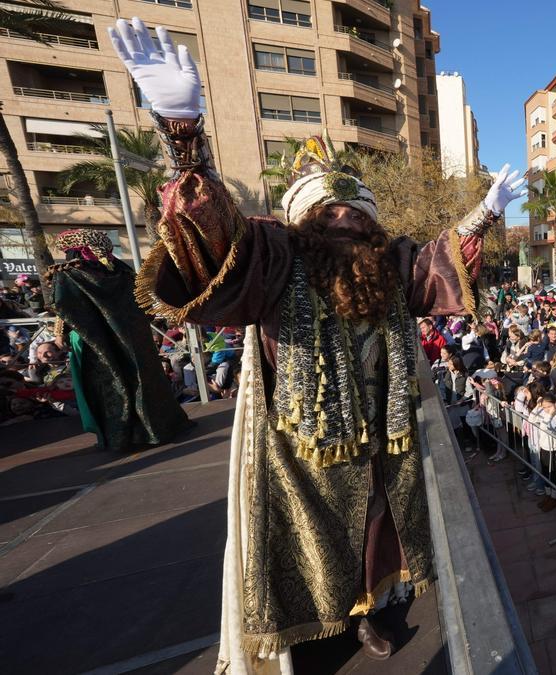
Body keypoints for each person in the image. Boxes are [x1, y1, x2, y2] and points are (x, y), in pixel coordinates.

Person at [108, 18, 528, 664]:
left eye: (356, 214)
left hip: (380, 450)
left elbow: (436, 265)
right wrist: (187, 142)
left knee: (377, 546)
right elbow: (222, 250)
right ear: (304, 221)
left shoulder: (387, 265)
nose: (346, 222)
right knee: (307, 573)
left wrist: (486, 212)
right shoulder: (277, 257)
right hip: (302, 462)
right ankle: (315, 641)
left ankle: (373, 614)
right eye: (331, 214)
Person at [47, 230, 191, 451]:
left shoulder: (69, 274)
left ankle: (122, 436)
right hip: (133, 337)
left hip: (95, 343)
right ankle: (157, 428)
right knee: (142, 379)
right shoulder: (122, 271)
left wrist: (59, 333)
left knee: (111, 385)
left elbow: (66, 308)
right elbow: (144, 306)